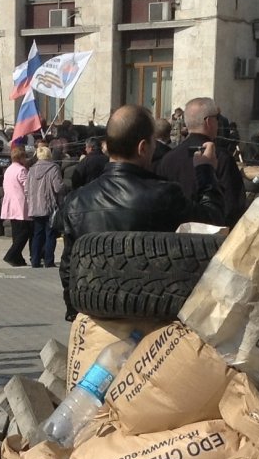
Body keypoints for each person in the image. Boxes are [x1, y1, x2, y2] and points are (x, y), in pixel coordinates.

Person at [58, 104, 223, 318]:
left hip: (97, 319)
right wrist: (206, 170)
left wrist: (78, 316)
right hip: (154, 324)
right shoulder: (165, 195)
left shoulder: (76, 201)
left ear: (106, 146)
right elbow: (213, 225)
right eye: (154, 143)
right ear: (143, 147)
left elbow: (68, 269)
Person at [157, 96, 244, 224]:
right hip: (213, 238)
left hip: (173, 237)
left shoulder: (168, 159)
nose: (219, 123)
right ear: (208, 121)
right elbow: (234, 206)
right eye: (217, 118)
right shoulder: (221, 158)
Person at [26, 142, 64, 268]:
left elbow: (26, 190)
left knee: (37, 234)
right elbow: (58, 188)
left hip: (35, 207)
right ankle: (49, 261)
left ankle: (35, 261)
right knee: (50, 234)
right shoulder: (53, 168)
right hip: (49, 206)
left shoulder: (31, 170)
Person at [0, 146, 34, 267]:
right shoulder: (21, 170)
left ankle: (17, 259)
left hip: (10, 203)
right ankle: (11, 254)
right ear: (21, 158)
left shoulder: (8, 169)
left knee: (16, 233)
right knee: (25, 232)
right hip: (20, 204)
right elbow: (27, 187)